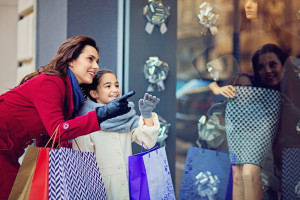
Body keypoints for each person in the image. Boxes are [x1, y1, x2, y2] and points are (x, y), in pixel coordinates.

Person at [0, 36, 134, 199]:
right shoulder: (51, 82)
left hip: (10, 147)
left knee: (15, 193)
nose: (96, 66)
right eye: (90, 59)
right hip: (3, 143)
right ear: (71, 60)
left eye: (97, 61)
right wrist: (101, 115)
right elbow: (58, 131)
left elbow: (50, 136)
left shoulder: (71, 92)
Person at [72, 69, 160, 200]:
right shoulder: (86, 121)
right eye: (108, 86)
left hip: (128, 185)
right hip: (100, 188)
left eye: (117, 85)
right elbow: (83, 165)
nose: (115, 90)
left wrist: (146, 116)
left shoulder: (125, 117)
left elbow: (147, 142)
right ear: (94, 93)